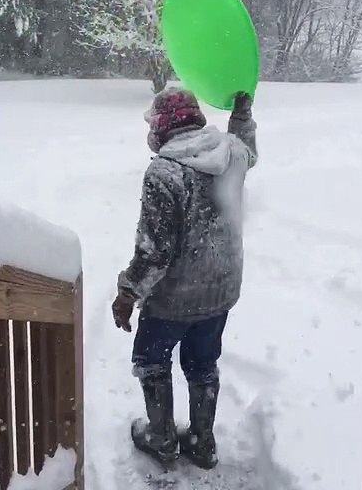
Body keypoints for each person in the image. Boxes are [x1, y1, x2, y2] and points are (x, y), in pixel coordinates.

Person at [111, 88, 258, 469]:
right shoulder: (231, 153)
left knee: (152, 361)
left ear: (164, 126)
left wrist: (128, 292)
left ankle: (162, 439)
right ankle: (202, 442)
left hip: (173, 299)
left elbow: (155, 250)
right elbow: (248, 148)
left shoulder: (164, 172)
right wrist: (242, 116)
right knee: (202, 363)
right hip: (221, 290)